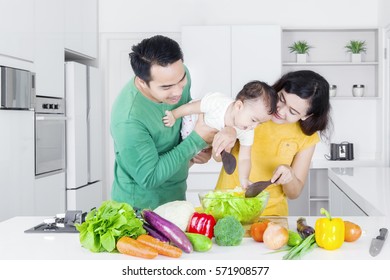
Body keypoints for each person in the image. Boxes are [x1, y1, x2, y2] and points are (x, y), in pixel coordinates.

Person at [110, 35, 236, 210]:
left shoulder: (179, 75)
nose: (177, 92)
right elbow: (150, 177)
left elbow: (188, 121)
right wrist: (195, 140)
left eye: (181, 81)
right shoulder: (128, 120)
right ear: (142, 82)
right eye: (166, 87)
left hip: (175, 199)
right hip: (138, 209)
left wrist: (200, 149)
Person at [215, 70, 331, 216]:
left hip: (270, 217)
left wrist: (290, 176)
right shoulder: (253, 110)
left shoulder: (307, 137)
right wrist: (227, 132)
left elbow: (294, 193)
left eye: (293, 111)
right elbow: (216, 156)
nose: (280, 111)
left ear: (306, 115)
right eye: (281, 98)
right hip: (225, 207)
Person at [163, 81, 277, 188]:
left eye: (259, 123)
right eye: (253, 120)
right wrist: (173, 115)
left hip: (203, 143)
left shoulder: (247, 129)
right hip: (191, 123)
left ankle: (171, 178)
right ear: (238, 106)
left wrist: (244, 179)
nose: (254, 126)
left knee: (188, 162)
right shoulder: (218, 103)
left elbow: (245, 157)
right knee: (179, 153)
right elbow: (190, 108)